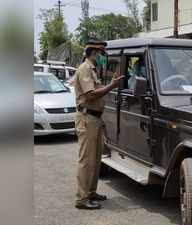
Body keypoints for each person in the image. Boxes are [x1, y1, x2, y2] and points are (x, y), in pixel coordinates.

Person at [73, 41, 124, 210]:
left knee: (95, 159)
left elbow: (97, 87)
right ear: (94, 52)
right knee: (86, 160)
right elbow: (90, 94)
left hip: (95, 118)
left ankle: (91, 192)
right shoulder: (85, 69)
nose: (103, 56)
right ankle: (82, 199)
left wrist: (110, 83)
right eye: (101, 53)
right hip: (87, 118)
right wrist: (112, 86)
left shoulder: (93, 69)